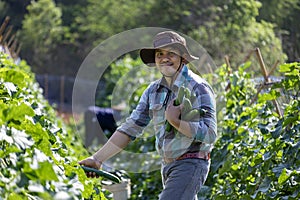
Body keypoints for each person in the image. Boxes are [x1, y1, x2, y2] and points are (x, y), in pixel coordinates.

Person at [79, 31, 217, 200]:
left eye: (171, 53)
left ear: (183, 57)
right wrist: (97, 159)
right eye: (160, 54)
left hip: (191, 164)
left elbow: (210, 134)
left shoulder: (198, 87)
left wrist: (175, 121)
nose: (165, 58)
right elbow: (131, 127)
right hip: (168, 166)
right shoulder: (153, 91)